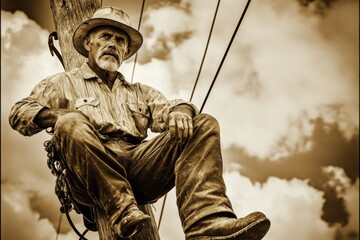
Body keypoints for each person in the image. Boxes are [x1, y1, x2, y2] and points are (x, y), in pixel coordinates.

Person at [9, 6, 270, 240]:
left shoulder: (139, 92)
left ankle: (206, 224)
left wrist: (181, 110)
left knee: (202, 123)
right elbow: (19, 113)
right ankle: (120, 208)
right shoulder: (63, 82)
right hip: (90, 172)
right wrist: (59, 116)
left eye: (120, 41)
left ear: (126, 51)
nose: (113, 44)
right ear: (88, 43)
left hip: (138, 164)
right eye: (106, 37)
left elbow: (170, 108)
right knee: (70, 124)